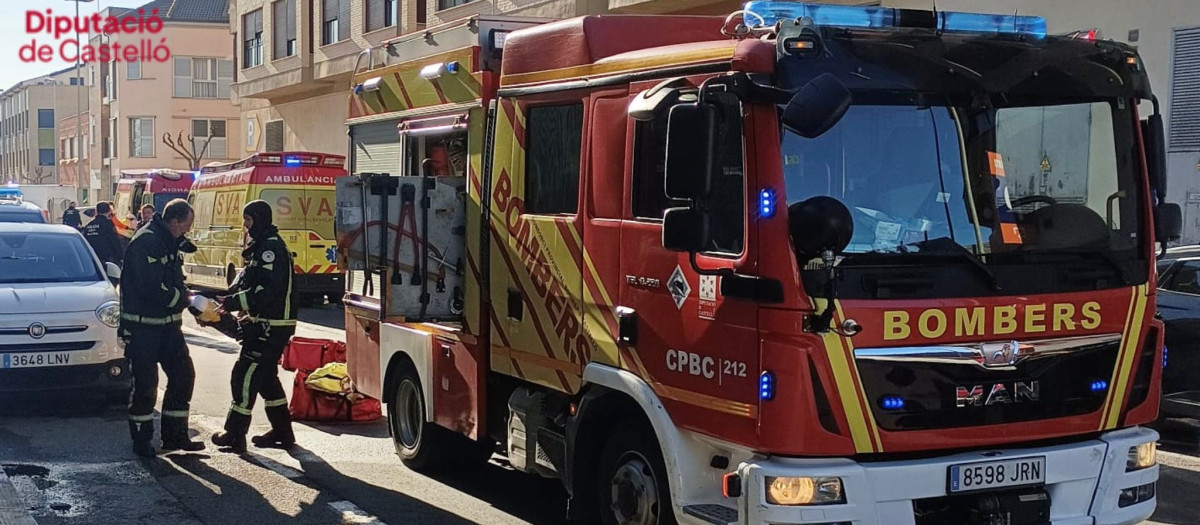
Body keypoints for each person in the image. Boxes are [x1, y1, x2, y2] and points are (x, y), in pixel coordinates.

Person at [120, 199, 205, 457]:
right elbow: (152, 288)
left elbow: (173, 279)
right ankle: (142, 441)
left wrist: (189, 298)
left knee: (183, 377)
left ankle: (175, 436)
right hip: (143, 329)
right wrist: (184, 299)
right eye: (186, 226)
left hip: (168, 328)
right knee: (146, 387)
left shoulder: (168, 240)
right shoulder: (147, 241)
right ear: (174, 221)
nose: (186, 232)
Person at [210, 200, 298, 452]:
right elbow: (249, 281)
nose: (246, 226)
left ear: (259, 219)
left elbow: (267, 290)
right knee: (266, 379)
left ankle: (235, 433)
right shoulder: (264, 246)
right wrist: (226, 297)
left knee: (245, 375)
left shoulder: (270, 249)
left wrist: (234, 302)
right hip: (268, 323)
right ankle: (283, 433)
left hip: (270, 325)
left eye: (248, 220)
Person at [83, 201, 123, 266]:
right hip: (106, 259)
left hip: (92, 259)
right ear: (109, 211)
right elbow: (114, 240)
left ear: (97, 211)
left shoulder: (89, 225)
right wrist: (120, 257)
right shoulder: (108, 223)